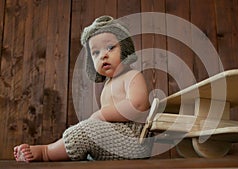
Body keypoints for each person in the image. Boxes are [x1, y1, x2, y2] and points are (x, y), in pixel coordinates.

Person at [13, 15, 153, 162]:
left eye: (110, 47)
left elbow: (138, 105)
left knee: (86, 132)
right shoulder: (108, 84)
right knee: (84, 130)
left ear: (125, 49)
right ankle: (81, 151)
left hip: (134, 139)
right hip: (115, 140)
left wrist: (101, 116)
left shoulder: (132, 76)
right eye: (95, 52)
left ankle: (46, 152)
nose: (103, 55)